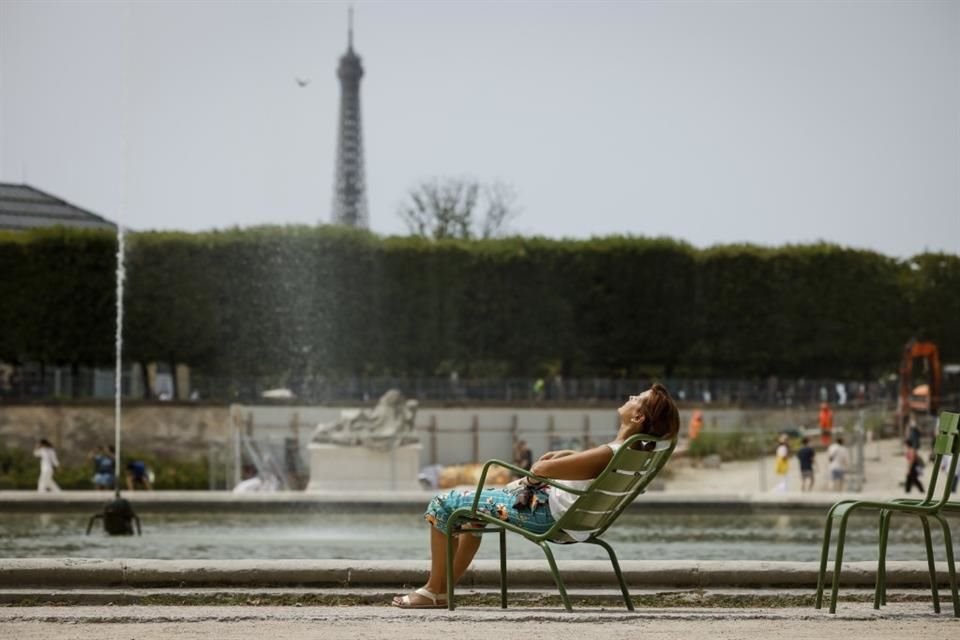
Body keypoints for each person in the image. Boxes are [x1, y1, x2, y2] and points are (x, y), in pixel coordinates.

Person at [391, 383, 680, 608]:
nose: (629, 398)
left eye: (635, 398)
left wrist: (552, 463)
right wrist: (570, 456)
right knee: (470, 515)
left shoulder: (609, 453)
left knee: (443, 503)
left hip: (543, 516)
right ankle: (442, 592)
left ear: (638, 416)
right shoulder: (625, 454)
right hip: (571, 520)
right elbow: (584, 468)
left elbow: (540, 469)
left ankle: (431, 590)